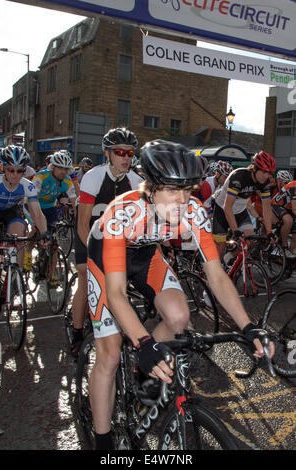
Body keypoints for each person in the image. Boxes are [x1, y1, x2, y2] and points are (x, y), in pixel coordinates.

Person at [86, 139, 274, 450]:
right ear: (151, 187)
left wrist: (247, 326)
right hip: (105, 257)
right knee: (110, 352)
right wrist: (143, 342)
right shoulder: (123, 212)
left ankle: (141, 375)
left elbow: (216, 276)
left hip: (145, 254)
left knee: (179, 316)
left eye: (188, 190)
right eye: (173, 191)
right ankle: (103, 440)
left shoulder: (194, 211)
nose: (182, 201)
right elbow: (116, 293)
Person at [70, 127, 143, 356]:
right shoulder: (93, 177)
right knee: (85, 276)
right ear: (108, 153)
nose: (126, 158)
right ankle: (77, 331)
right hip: (89, 234)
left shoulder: (135, 180)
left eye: (130, 153)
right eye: (120, 152)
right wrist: (95, 255)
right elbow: (82, 224)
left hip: (114, 237)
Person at [212, 151, 276, 257]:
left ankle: (230, 257)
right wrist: (235, 230)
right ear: (254, 169)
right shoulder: (239, 176)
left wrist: (269, 231)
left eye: (269, 173)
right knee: (220, 246)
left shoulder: (265, 182)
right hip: (222, 210)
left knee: (250, 241)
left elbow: (267, 208)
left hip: (240, 211)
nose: (266, 176)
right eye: (264, 172)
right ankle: (214, 272)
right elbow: (227, 207)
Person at [0, 145, 48, 266]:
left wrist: (44, 233)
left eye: (20, 171)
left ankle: (16, 279)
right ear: (3, 168)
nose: (15, 174)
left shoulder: (28, 186)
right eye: (11, 170)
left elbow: (37, 214)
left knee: (19, 239)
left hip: (11, 211)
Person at [271, 174, 296, 258]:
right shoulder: (293, 186)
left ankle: (289, 255)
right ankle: (284, 247)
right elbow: (294, 209)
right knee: (289, 220)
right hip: (277, 204)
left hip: (288, 207)